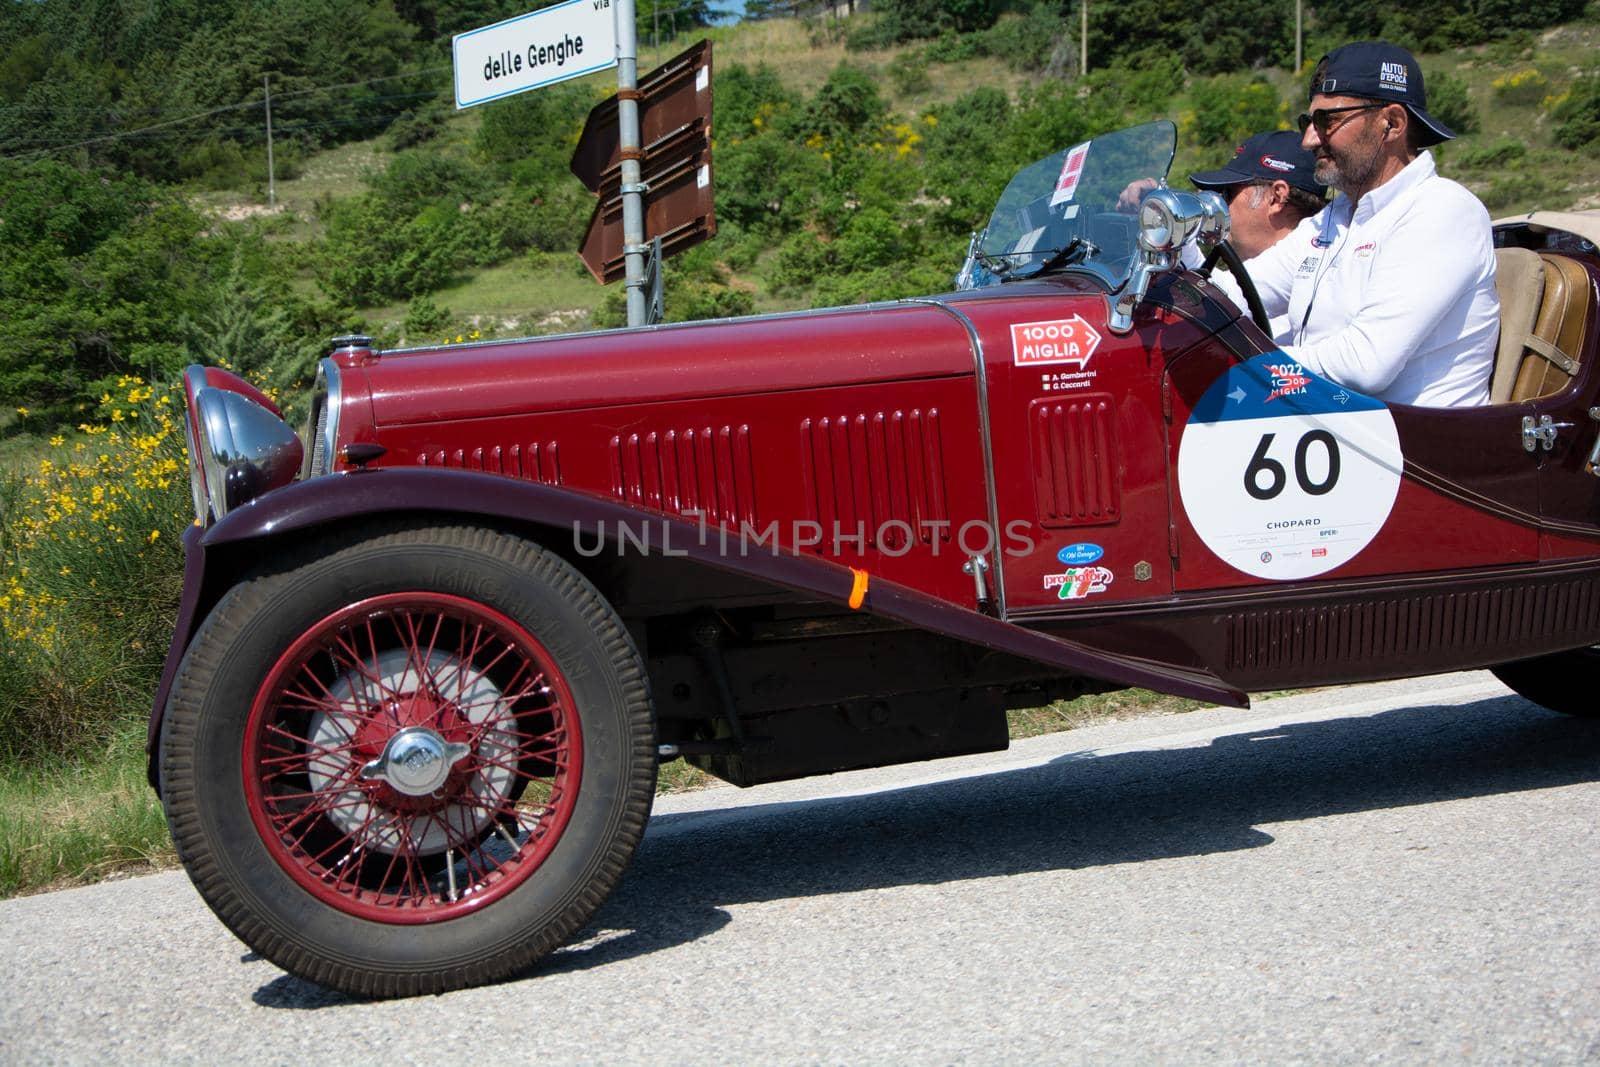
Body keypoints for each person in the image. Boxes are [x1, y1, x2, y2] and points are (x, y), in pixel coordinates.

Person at [1233, 41, 1500, 407]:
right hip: (1336, 427)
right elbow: (1240, 290)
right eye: (1307, 121)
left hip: (1420, 451)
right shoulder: (1336, 216)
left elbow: (1365, 363)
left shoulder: (1442, 210)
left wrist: (1244, 368)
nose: (1309, 139)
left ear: (1391, 123)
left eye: (1327, 120)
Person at [1185, 130, 1329, 341]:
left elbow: (1215, 300)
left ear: (1276, 198)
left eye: (1228, 193)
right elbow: (1215, 288)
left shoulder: (1307, 308)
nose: (1220, 205)